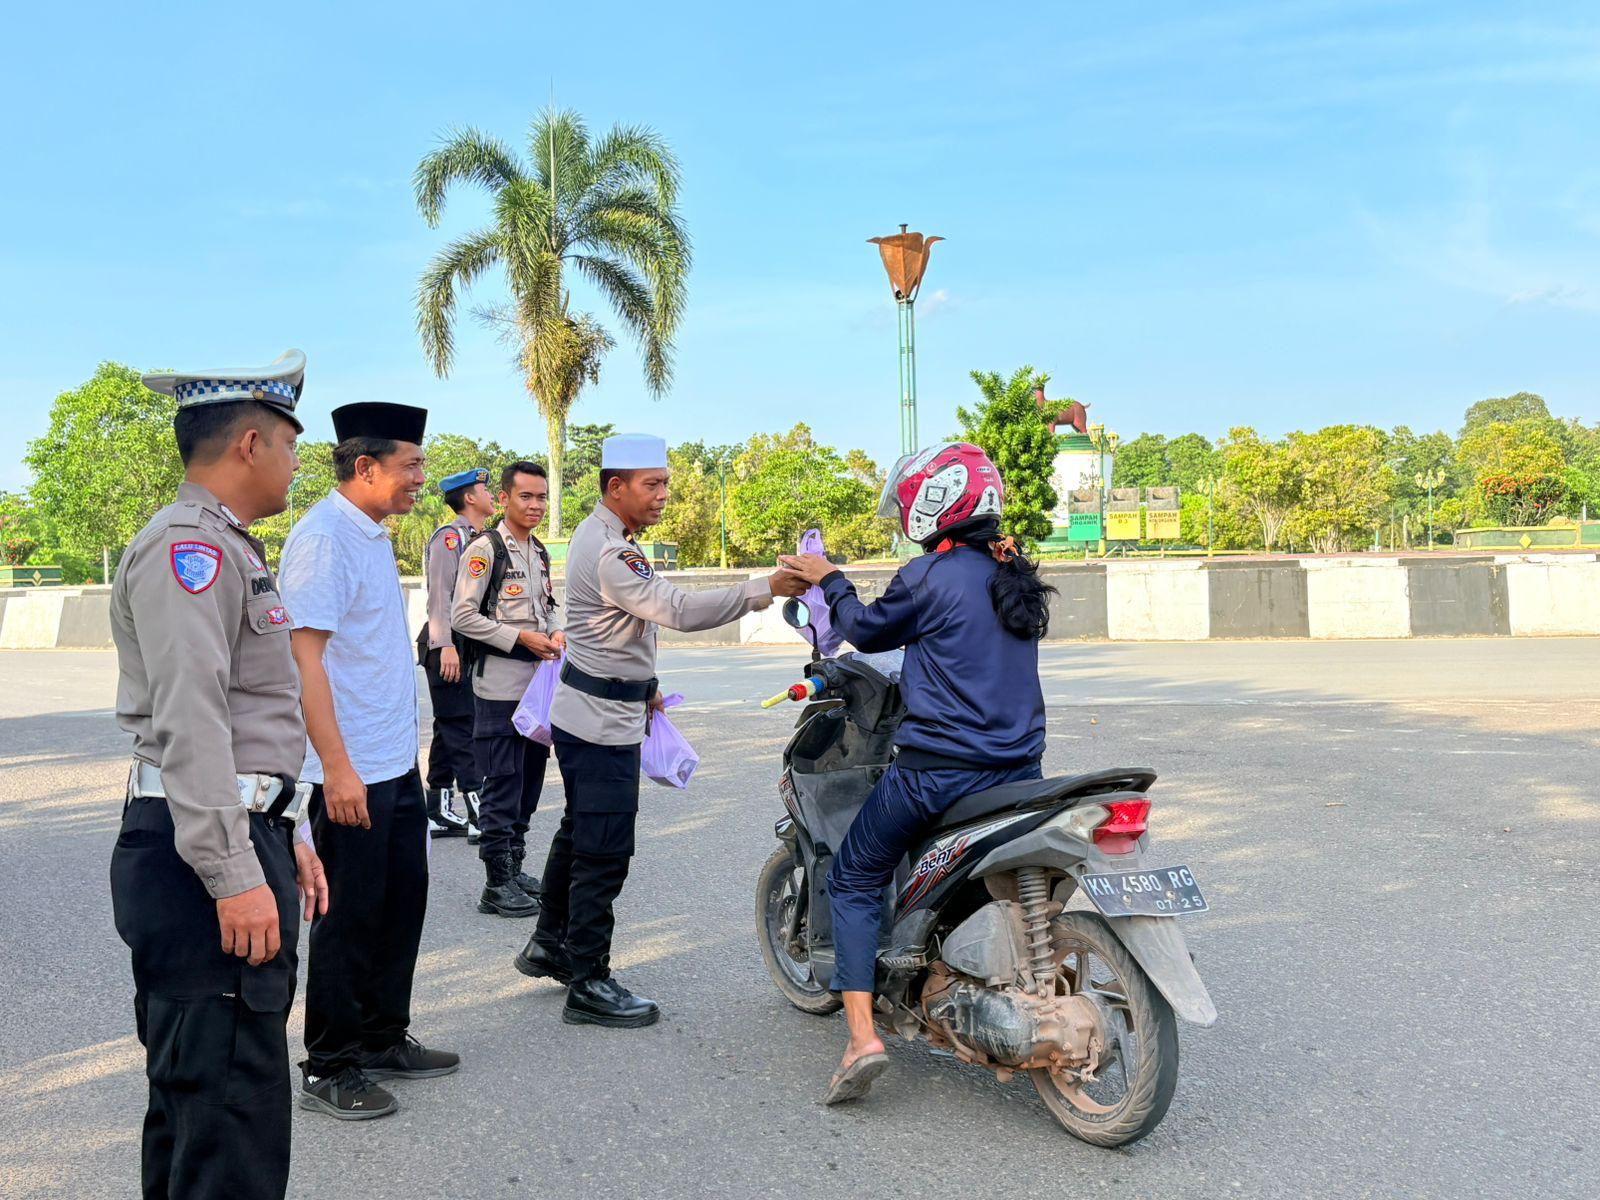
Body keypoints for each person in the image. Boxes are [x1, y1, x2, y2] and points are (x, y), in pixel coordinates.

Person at [111, 349, 329, 1199]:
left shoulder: (228, 548)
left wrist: (286, 827)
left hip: (229, 831)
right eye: (289, 444)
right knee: (223, 1112)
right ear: (248, 443)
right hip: (202, 854)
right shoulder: (187, 550)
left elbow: (250, 726)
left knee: (209, 1103)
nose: (295, 462)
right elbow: (192, 719)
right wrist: (235, 872)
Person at [779, 442, 1056, 1105]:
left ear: (936, 504)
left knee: (852, 873)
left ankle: (861, 1038)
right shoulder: (1008, 567)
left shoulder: (932, 575)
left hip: (940, 773)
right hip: (1021, 768)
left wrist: (829, 578)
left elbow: (866, 632)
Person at [513, 433, 807, 1026]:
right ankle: (589, 980)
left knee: (578, 833)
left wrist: (646, 684)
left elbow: (621, 631)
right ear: (615, 487)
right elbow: (675, 610)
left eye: (665, 483)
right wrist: (762, 589)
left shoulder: (609, 537)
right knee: (604, 849)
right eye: (653, 484)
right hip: (599, 725)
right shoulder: (612, 551)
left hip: (598, 712)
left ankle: (550, 943)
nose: (664, 495)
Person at [279, 401, 459, 1120]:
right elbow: (304, 659)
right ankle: (330, 1062)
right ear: (365, 467)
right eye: (411, 465)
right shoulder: (323, 538)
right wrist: (336, 766)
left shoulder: (370, 533)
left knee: (398, 905)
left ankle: (384, 1035)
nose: (423, 477)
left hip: (392, 763)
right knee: (347, 918)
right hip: (347, 770)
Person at [451, 461, 563, 917]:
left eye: (541, 498)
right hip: (499, 686)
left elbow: (548, 606)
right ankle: (495, 882)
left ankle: (514, 867)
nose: (535, 506)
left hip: (537, 689)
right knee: (502, 782)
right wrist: (519, 638)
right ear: (505, 499)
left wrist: (556, 633)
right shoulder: (484, 550)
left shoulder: (537, 552)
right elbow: (462, 615)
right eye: (526, 497)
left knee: (530, 782)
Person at [419, 465, 497, 840]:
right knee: (462, 725)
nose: (492, 494)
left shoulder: (481, 538)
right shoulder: (450, 539)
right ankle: (482, 812)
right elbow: (439, 594)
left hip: (464, 644)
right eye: (485, 488)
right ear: (469, 497)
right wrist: (444, 644)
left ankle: (437, 810)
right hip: (446, 644)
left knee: (448, 725)